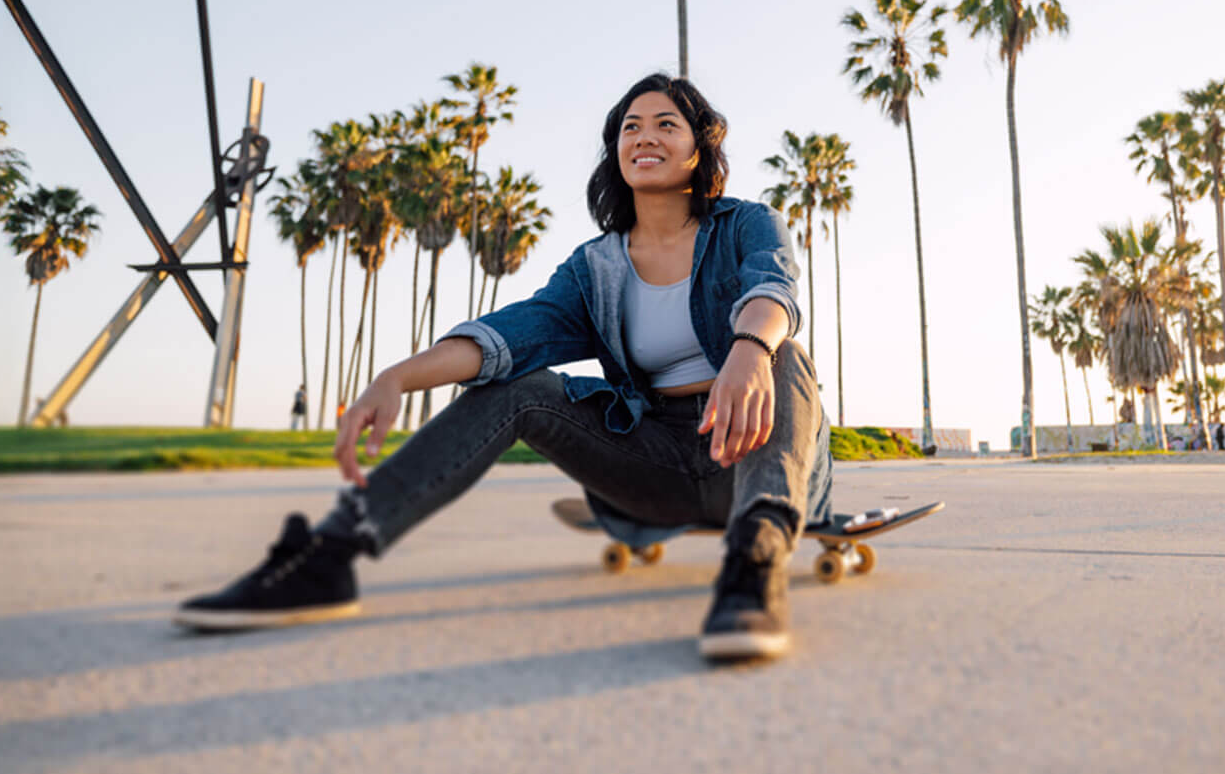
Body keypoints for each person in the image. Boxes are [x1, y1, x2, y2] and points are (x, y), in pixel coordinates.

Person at [175, 74, 830, 663]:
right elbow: (511, 334)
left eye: (666, 123)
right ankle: (331, 553)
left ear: (698, 148)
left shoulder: (746, 223)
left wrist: (749, 349)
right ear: (616, 153)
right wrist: (397, 376)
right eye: (630, 126)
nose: (645, 136)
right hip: (654, 464)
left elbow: (772, 290)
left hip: (751, 452)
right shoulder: (595, 267)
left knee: (786, 355)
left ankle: (756, 559)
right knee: (521, 385)